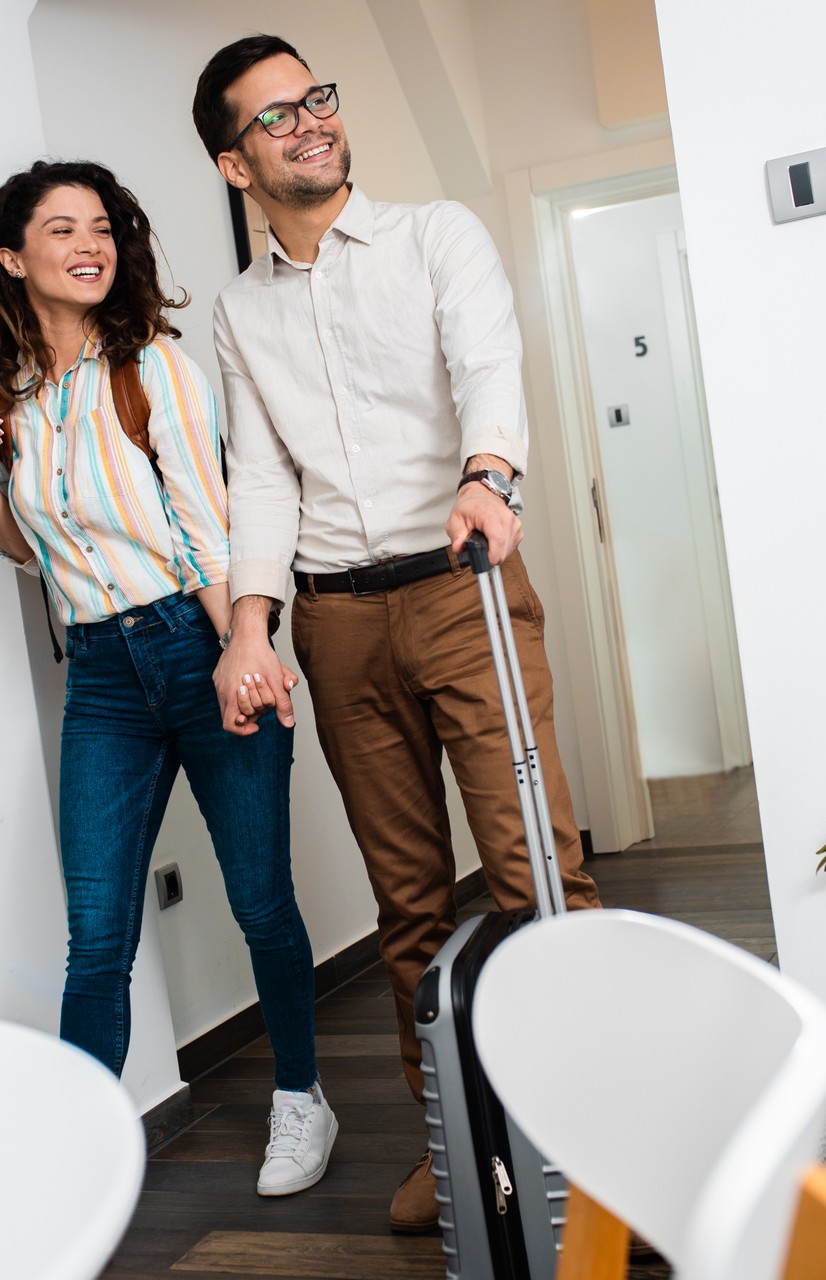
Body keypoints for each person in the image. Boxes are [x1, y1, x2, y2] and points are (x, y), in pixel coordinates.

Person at [191, 39, 604, 1232]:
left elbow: (488, 362)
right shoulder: (239, 309)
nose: (311, 121)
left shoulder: (437, 237)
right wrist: (252, 626)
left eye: (316, 96)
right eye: (277, 116)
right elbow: (260, 475)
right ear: (236, 161)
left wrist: (491, 474)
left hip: (461, 585)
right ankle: (461, 1148)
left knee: (539, 873)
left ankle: (588, 1142)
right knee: (410, 902)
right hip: (335, 620)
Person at [0, 160, 335, 1196]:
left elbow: (206, 525)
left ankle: (300, 1098)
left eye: (103, 225)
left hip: (192, 640)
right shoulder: (10, 395)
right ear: (11, 257)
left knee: (261, 900)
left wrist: (243, 652)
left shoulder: (152, 365)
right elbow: (28, 553)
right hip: (102, 676)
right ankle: (77, 1154)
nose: (92, 242)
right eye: (62, 227)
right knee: (97, 934)